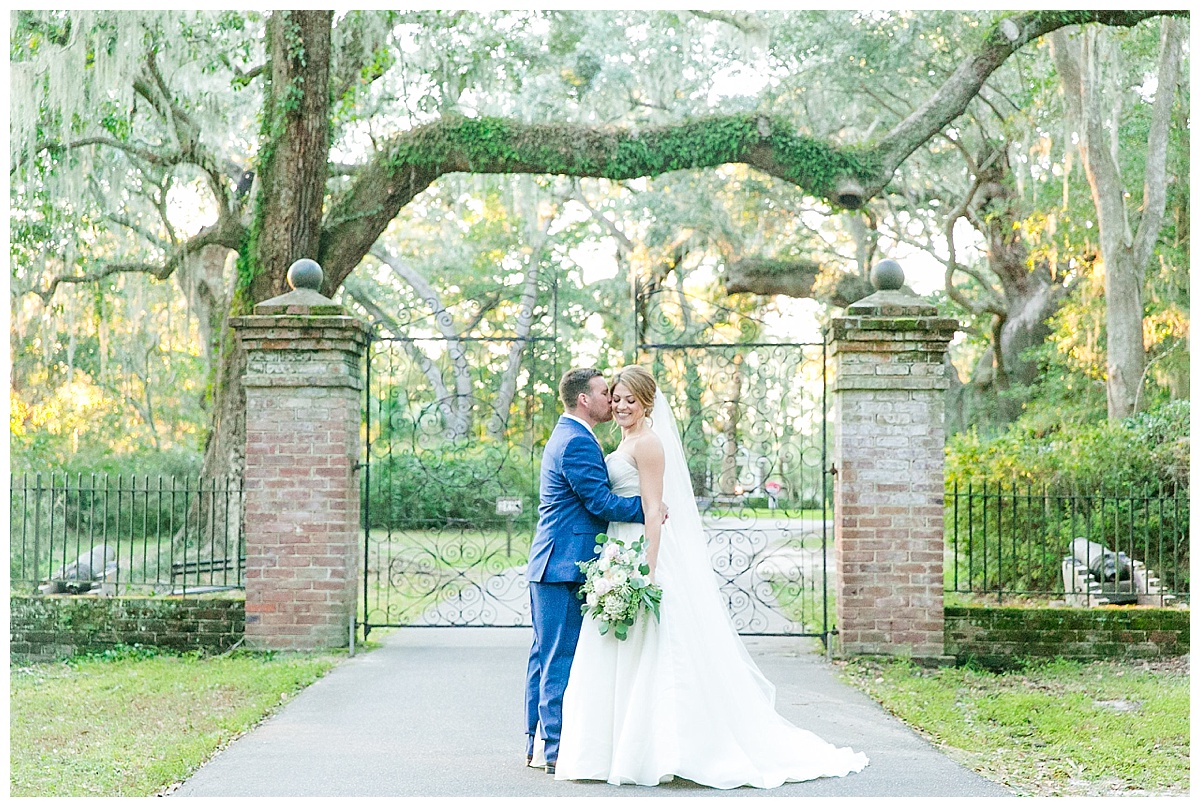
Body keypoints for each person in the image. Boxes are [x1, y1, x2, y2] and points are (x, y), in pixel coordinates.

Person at [554, 366, 869, 788]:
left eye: (631, 399)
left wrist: (645, 563)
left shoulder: (648, 444)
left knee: (656, 650)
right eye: (617, 397)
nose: (622, 406)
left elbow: (653, 508)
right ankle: (615, 749)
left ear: (647, 402)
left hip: (642, 553)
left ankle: (663, 750)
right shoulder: (624, 439)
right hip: (618, 548)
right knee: (619, 652)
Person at [524, 368, 646, 776]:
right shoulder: (576, 441)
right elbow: (600, 502)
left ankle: (536, 742)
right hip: (562, 564)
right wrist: (650, 510)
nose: (610, 400)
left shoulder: (573, 435)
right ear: (583, 400)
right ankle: (556, 748)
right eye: (603, 393)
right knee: (559, 657)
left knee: (545, 655)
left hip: (553, 562)